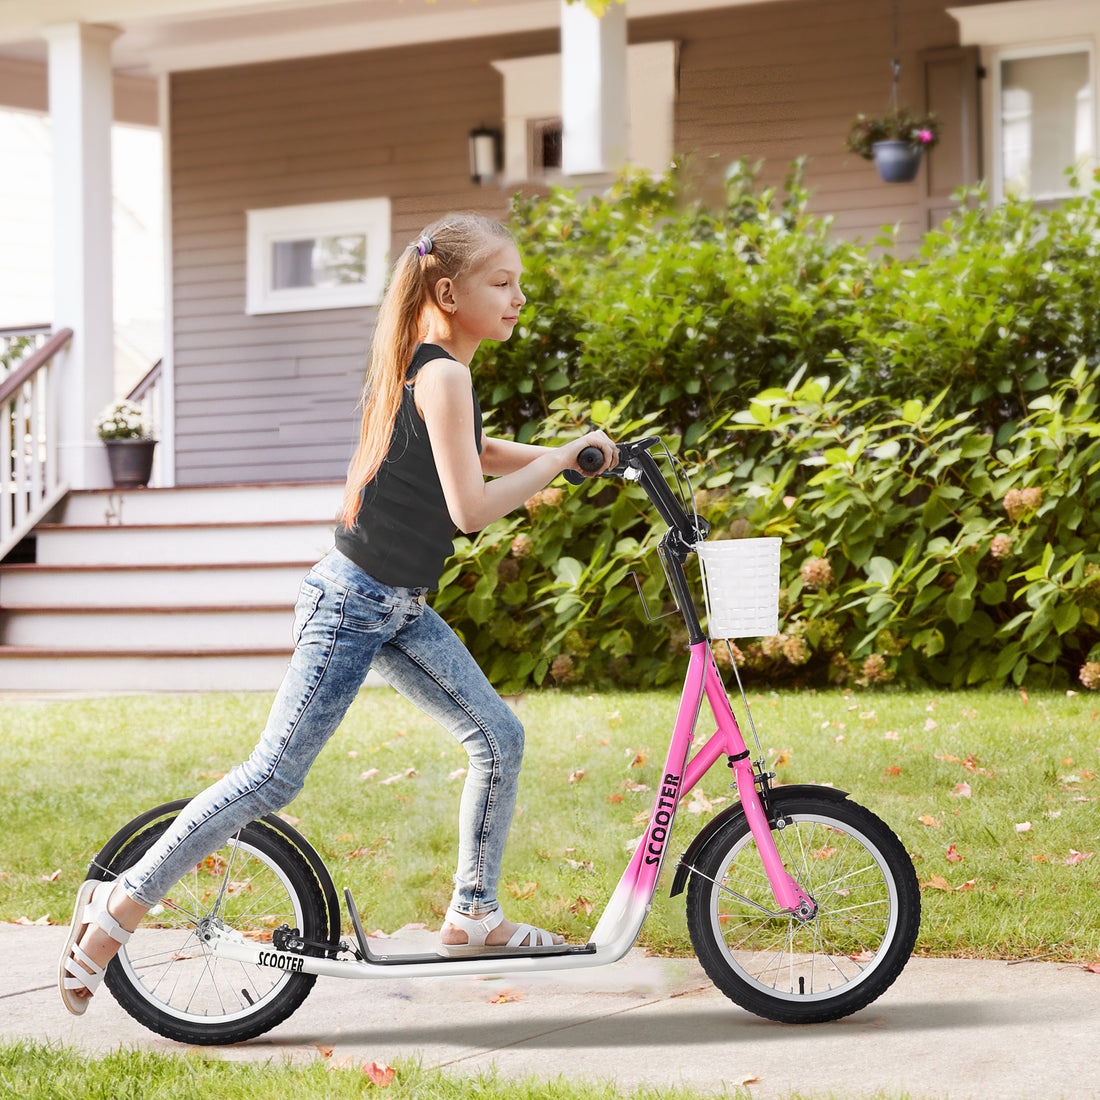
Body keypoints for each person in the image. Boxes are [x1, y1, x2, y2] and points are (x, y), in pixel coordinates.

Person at [59, 213, 617, 1014]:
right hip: (354, 603)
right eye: (504, 283)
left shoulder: (431, 367)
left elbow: (479, 453)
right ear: (450, 291)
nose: (519, 298)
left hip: (393, 605)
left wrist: (583, 456)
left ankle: (474, 912)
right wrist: (562, 462)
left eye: (519, 283)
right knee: (271, 776)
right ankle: (117, 911)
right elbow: (469, 505)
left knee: (498, 735)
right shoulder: (444, 373)